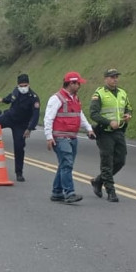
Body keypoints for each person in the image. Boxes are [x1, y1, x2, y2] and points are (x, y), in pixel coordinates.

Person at [43, 71, 97, 204]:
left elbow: (80, 115)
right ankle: (69, 193)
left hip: (72, 137)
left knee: (64, 165)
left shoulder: (75, 98)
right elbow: (48, 118)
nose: (79, 85)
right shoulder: (56, 98)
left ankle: (57, 192)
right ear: (71, 83)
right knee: (67, 164)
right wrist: (49, 137)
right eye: (77, 83)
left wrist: (89, 129)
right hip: (60, 137)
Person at [0, 73, 41, 182]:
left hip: (21, 125)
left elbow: (35, 115)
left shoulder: (33, 97)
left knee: (19, 148)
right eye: (21, 86)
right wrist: (3, 100)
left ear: (28, 85)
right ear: (18, 85)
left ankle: (19, 173)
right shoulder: (16, 91)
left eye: (25, 85)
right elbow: (10, 98)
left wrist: (29, 128)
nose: (23, 88)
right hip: (9, 117)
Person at [88, 68, 132, 202]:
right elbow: (93, 113)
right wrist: (108, 122)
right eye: (112, 77)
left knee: (120, 160)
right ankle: (110, 191)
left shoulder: (122, 93)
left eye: (116, 77)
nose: (115, 79)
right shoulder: (99, 94)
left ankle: (98, 180)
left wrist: (128, 114)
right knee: (107, 162)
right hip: (105, 132)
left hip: (118, 131)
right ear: (106, 79)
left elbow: (128, 107)